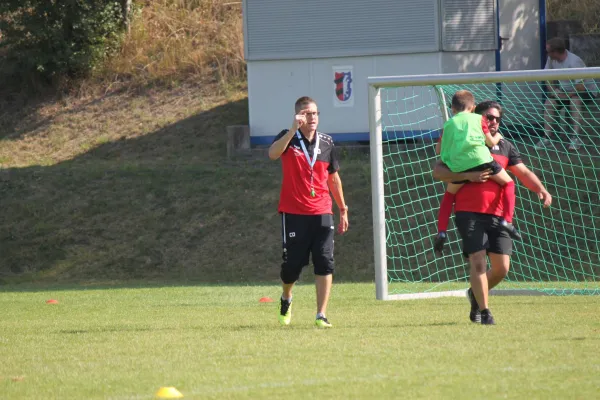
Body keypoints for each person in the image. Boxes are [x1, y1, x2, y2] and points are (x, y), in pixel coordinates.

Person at [432, 100, 553, 325]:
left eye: (497, 118)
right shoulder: (463, 143)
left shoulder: (505, 146)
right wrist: (466, 176)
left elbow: (523, 172)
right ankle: (485, 312)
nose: (493, 121)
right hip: (468, 214)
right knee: (478, 263)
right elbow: (439, 169)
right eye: (489, 117)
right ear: (477, 119)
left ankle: (475, 294)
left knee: (502, 268)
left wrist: (541, 189)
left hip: (497, 216)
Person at [268, 96, 349, 328]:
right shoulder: (288, 137)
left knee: (325, 261)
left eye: (314, 113)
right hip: (294, 212)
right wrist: (293, 129)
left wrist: (343, 208)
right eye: (306, 113)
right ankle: (286, 297)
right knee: (292, 266)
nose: (311, 117)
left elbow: (333, 178)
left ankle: (321, 314)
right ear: (297, 116)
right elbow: (273, 154)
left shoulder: (326, 142)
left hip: (322, 210)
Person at [433, 90, 520, 256]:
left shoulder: (449, 124)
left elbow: (439, 150)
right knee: (509, 183)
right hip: (480, 161)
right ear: (473, 107)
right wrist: (499, 137)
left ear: (452, 109)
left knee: (449, 195)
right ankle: (507, 221)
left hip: (459, 166)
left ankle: (442, 231)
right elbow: (490, 141)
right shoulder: (478, 119)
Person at [535, 37, 599, 151]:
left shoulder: (574, 61)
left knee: (574, 100)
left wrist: (566, 96)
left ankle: (576, 138)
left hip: (586, 91)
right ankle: (547, 138)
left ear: (556, 52)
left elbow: (581, 86)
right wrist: (554, 91)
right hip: (565, 91)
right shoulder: (551, 59)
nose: (547, 53)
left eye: (548, 51)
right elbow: (546, 77)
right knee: (549, 102)